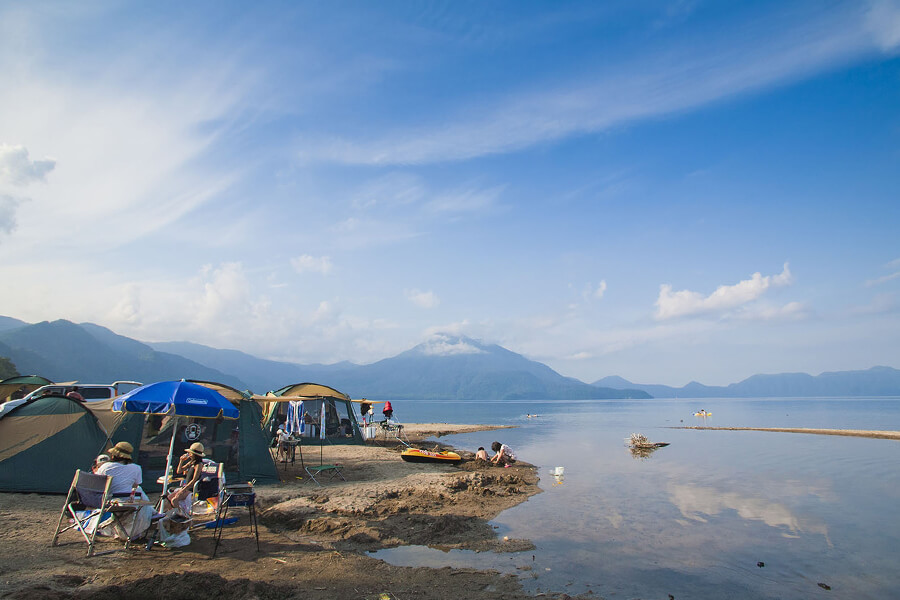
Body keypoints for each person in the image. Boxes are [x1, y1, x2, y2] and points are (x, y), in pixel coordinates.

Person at [95, 441, 153, 538]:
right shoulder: (136, 468)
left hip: (110, 501)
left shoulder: (105, 466)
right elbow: (135, 485)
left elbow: (99, 484)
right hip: (130, 502)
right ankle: (153, 513)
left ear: (114, 455)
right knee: (139, 489)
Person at [167, 442, 205, 517]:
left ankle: (183, 516)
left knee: (174, 500)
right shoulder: (192, 462)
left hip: (191, 489)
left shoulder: (199, 465)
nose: (189, 455)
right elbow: (179, 471)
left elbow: (194, 480)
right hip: (186, 487)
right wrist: (181, 461)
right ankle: (173, 514)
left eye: (191, 453)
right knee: (168, 499)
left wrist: (183, 490)